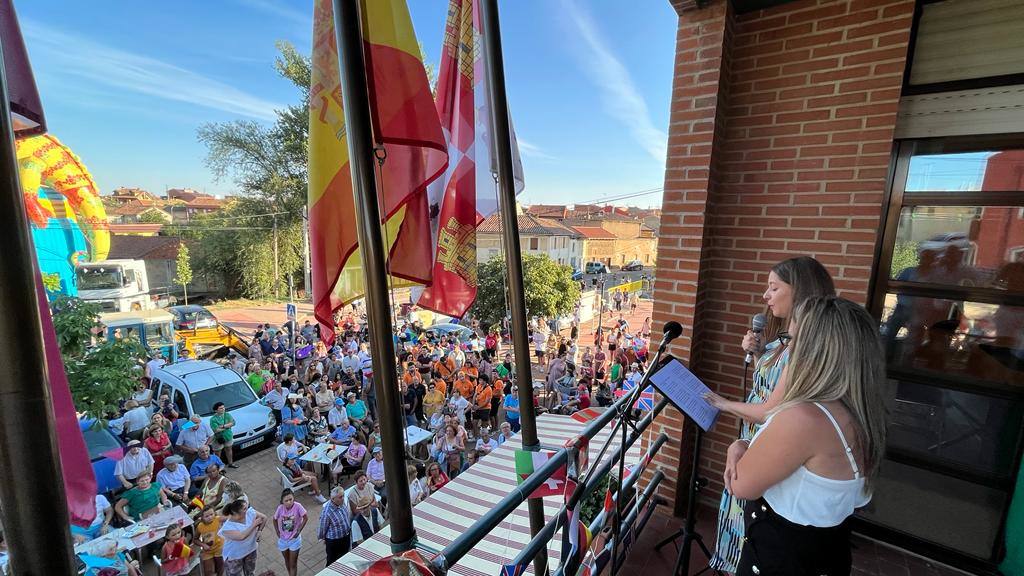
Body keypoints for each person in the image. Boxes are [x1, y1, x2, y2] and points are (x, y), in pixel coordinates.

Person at [726, 297, 885, 576]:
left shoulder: (804, 419)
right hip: (827, 557)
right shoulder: (863, 413)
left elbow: (741, 486)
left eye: (793, 339)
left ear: (814, 351)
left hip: (780, 561)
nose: (788, 350)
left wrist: (738, 447)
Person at [704, 256, 836, 574]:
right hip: (756, 439)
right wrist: (759, 352)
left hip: (769, 442)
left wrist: (720, 403)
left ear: (800, 291)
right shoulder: (786, 340)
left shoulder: (805, 349)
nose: (766, 295)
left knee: (752, 520)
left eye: (773, 287)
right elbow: (773, 385)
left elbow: (770, 410)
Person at [220, 499, 267, 576]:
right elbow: (242, 536)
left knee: (250, 573)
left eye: (247, 506)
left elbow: (264, 518)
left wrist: (259, 531)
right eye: (244, 508)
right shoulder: (227, 528)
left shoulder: (249, 512)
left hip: (251, 550)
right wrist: (254, 524)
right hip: (235, 556)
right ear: (236, 512)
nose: (247, 509)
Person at [273, 489, 307, 576]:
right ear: (282, 501)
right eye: (286, 500)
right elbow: (274, 519)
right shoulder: (280, 508)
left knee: (293, 564)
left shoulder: (298, 506)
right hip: (282, 540)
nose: (289, 502)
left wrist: (298, 531)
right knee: (287, 562)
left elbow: (305, 517)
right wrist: (277, 531)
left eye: (291, 499)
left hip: (294, 540)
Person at [319, 486, 353, 566]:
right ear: (333, 499)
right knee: (332, 562)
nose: (343, 498)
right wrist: (324, 538)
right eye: (340, 497)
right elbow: (322, 527)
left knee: (345, 558)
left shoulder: (342, 503)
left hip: (346, 536)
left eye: (343, 496)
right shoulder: (327, 511)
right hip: (334, 541)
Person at [348, 471, 382, 544]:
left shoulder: (369, 486)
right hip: (360, 516)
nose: (363, 482)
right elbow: (355, 511)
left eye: (364, 479)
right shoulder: (352, 494)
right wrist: (366, 507)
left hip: (370, 511)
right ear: (356, 482)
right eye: (360, 481)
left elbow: (374, 501)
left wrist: (369, 506)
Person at [196, 505, 225, 576]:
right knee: (208, 571)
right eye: (206, 516)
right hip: (208, 551)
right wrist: (203, 545)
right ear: (202, 517)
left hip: (219, 548)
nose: (210, 517)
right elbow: (195, 539)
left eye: (211, 514)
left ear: (214, 513)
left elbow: (231, 518)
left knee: (220, 566)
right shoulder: (200, 526)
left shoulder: (218, 519)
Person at [210, 402, 239, 469]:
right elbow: (216, 430)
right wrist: (228, 426)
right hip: (218, 439)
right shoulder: (213, 419)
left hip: (228, 436)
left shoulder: (227, 414)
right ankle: (218, 468)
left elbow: (233, 423)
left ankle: (230, 463)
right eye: (221, 408)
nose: (223, 409)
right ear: (216, 410)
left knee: (229, 450)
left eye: (223, 407)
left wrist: (223, 426)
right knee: (218, 454)